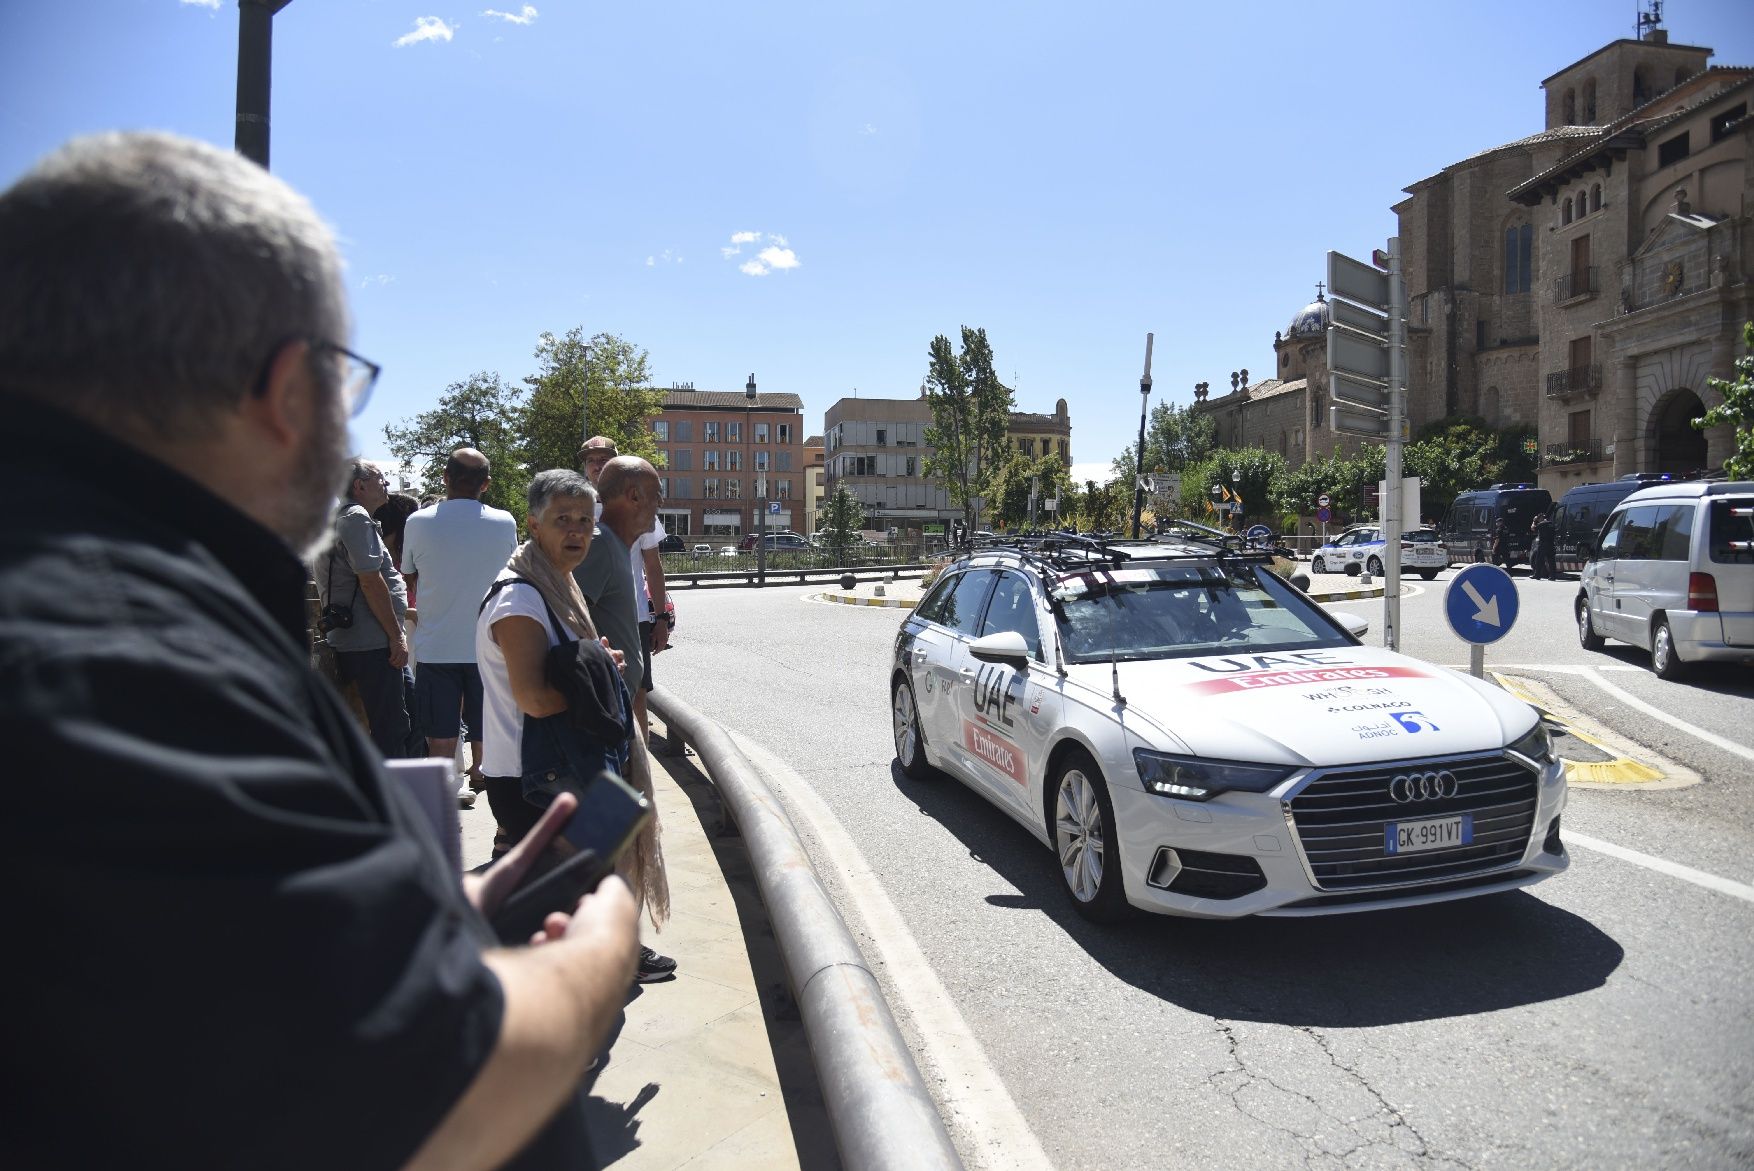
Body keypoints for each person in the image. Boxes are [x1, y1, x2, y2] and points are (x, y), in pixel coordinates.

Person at [1, 131, 636, 1169]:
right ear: (291, 389)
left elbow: (218, 992)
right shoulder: (134, 662)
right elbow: (431, 1097)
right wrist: (594, 962)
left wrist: (426, 930)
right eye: (344, 386)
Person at [480, 470, 674, 983]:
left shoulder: (557, 585)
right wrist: (600, 670)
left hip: (565, 772)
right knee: (558, 912)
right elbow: (536, 698)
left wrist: (594, 660)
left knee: (580, 897)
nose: (576, 531)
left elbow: (562, 665)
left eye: (585, 521)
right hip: (535, 782)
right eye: (562, 519)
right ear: (533, 523)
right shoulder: (520, 599)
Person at [574, 455, 678, 982]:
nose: (659, 504)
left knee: (616, 830)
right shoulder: (599, 547)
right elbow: (567, 621)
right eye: (654, 494)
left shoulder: (615, 547)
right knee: (613, 834)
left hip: (612, 713)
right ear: (632, 495)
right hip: (602, 719)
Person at [402, 448, 518, 802]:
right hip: (490, 643)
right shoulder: (505, 522)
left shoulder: (417, 522)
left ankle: (442, 788)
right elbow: (511, 574)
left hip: (437, 644)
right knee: (487, 721)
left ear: (445, 478)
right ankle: (481, 773)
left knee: (440, 728)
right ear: (486, 484)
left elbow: (408, 575)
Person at [321, 457, 418, 759]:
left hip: (370, 642)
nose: (386, 484)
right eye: (380, 478)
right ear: (359, 485)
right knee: (393, 728)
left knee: (408, 719)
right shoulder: (355, 518)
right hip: (373, 644)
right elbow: (370, 581)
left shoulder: (340, 518)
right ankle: (395, 799)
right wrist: (396, 636)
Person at [578, 436, 672, 743]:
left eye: (604, 459)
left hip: (633, 615)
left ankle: (638, 766)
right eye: (592, 460)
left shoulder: (639, 507)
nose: (597, 464)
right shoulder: (574, 508)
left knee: (637, 695)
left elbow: (653, 566)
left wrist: (660, 616)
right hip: (596, 622)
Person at [1530, 509, 1558, 580]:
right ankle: (1552, 576)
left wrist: (1534, 521)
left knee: (1539, 560)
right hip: (1551, 545)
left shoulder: (1541, 524)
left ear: (1540, 518)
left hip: (1543, 545)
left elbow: (1533, 528)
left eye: (1538, 519)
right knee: (1551, 561)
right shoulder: (1551, 523)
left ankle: (1537, 575)